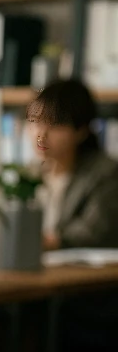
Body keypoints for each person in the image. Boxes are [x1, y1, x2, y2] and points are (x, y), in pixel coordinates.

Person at [27, 79, 118, 249]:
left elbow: (94, 231)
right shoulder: (30, 172)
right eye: (35, 121)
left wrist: (50, 241)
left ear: (81, 131)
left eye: (54, 125)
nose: (41, 134)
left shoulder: (105, 172)